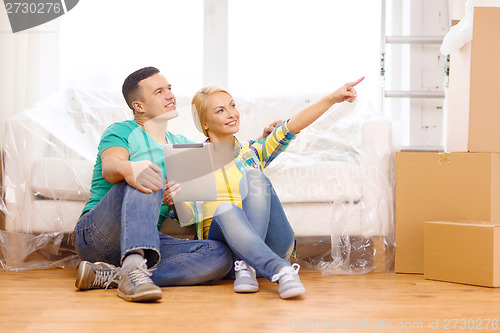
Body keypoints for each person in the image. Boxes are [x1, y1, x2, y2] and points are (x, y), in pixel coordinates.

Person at [73, 66, 279, 303]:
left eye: (169, 88)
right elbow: (111, 167)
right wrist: (133, 169)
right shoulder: (121, 131)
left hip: (146, 239)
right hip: (98, 235)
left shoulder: (183, 146)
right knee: (148, 175)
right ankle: (132, 269)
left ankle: (116, 275)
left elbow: (227, 160)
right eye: (159, 92)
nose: (170, 96)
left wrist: (263, 142)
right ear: (139, 106)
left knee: (219, 255)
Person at [174, 77, 363, 299]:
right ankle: (272, 268)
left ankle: (249, 264)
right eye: (220, 110)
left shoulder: (251, 153)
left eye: (233, 106)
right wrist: (175, 198)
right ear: (205, 123)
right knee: (225, 208)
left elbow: (291, 127)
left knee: (254, 175)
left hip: (271, 243)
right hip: (225, 249)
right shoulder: (192, 160)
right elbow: (185, 218)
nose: (232, 113)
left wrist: (333, 98)